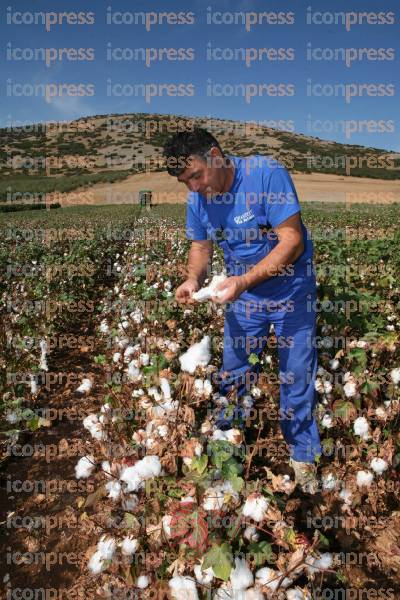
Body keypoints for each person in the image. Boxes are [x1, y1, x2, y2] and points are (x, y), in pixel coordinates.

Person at [163, 127, 321, 493]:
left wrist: (241, 282)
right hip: (244, 299)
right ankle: (226, 453)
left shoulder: (266, 175)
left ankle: (303, 456)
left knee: (295, 376)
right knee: (233, 374)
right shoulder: (198, 200)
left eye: (196, 176)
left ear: (216, 156)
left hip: (292, 294)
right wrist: (193, 280)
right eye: (185, 182)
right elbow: (200, 248)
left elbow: (292, 241)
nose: (194, 188)